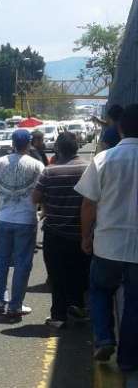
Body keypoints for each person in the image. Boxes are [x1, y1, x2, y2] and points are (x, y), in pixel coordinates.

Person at [75, 103, 138, 375]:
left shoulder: (103, 159)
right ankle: (128, 359)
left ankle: (103, 338)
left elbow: (88, 205)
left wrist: (86, 236)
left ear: (120, 127)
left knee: (100, 290)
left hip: (107, 244)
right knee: (135, 305)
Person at [32, 132, 90, 329]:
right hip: (81, 233)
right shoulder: (88, 168)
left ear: (57, 149)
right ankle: (79, 308)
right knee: (80, 273)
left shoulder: (49, 172)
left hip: (55, 233)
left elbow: (35, 198)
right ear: (76, 147)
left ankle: (58, 316)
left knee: (57, 276)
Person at [0, 129, 45, 319]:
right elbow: (43, 192)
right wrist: (41, 212)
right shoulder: (36, 165)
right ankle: (15, 305)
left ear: (12, 143)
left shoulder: (0, 162)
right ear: (29, 144)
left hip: (4, 219)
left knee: (1, 260)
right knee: (22, 263)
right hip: (26, 219)